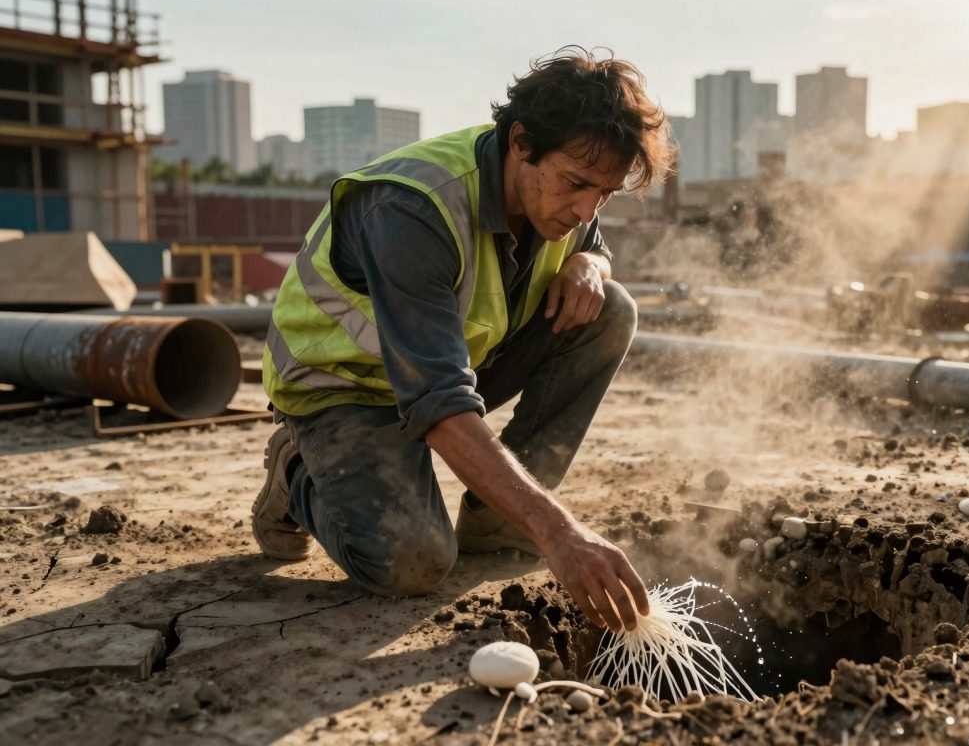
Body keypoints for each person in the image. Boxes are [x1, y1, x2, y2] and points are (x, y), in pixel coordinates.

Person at [252, 47, 675, 633]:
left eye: (603, 194)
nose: (585, 210)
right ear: (521, 142)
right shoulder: (411, 209)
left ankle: (497, 523)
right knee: (412, 565)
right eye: (577, 185)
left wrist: (593, 266)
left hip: (449, 365)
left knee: (609, 310)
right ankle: (297, 471)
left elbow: (590, 241)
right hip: (345, 385)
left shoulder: (563, 184)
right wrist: (560, 533)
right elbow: (441, 404)